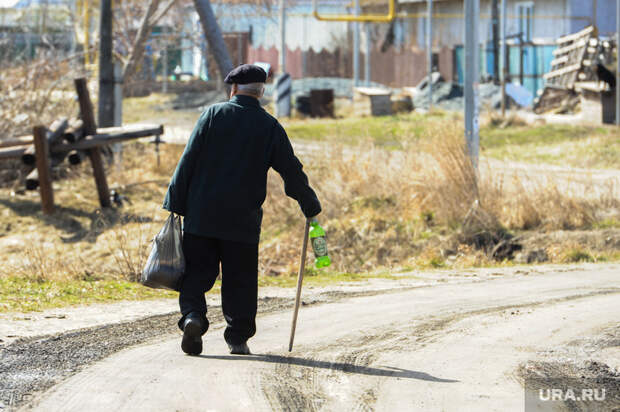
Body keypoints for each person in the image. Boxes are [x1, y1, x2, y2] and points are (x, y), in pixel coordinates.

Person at [163, 64, 322, 356]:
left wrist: (175, 202)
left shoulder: (212, 115)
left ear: (233, 89)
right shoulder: (269, 126)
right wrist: (309, 204)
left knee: (196, 275)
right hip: (242, 223)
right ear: (261, 93)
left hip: (202, 218)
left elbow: (188, 160)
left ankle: (193, 317)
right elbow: (291, 170)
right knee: (241, 282)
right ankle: (237, 338)